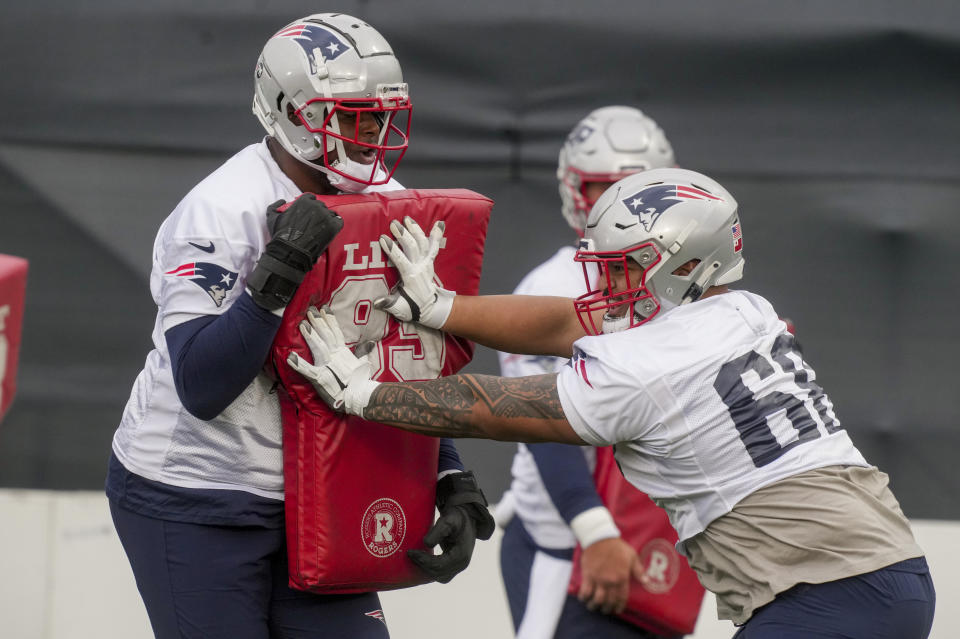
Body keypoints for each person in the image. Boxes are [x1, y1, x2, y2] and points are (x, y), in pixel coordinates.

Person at [288, 167, 937, 639]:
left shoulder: (651, 367)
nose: (607, 281)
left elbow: (491, 404)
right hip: (884, 572)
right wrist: (444, 308)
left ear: (684, 267)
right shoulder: (744, 309)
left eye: (626, 266)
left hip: (828, 594)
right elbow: (567, 322)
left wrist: (367, 393)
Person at [106, 13, 492, 639]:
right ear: (291, 111)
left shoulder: (385, 199)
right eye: (354, 115)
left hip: (318, 490)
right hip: (197, 493)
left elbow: (398, 356)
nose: (374, 134)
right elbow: (203, 385)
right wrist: (279, 271)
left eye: (380, 114)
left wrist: (446, 470)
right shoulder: (220, 209)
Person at [495, 106, 681, 639]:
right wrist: (595, 532)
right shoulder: (550, 284)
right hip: (567, 543)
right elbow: (540, 423)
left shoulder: (687, 283)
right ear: (574, 188)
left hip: (654, 538)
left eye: (634, 188)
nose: (617, 205)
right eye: (601, 188)